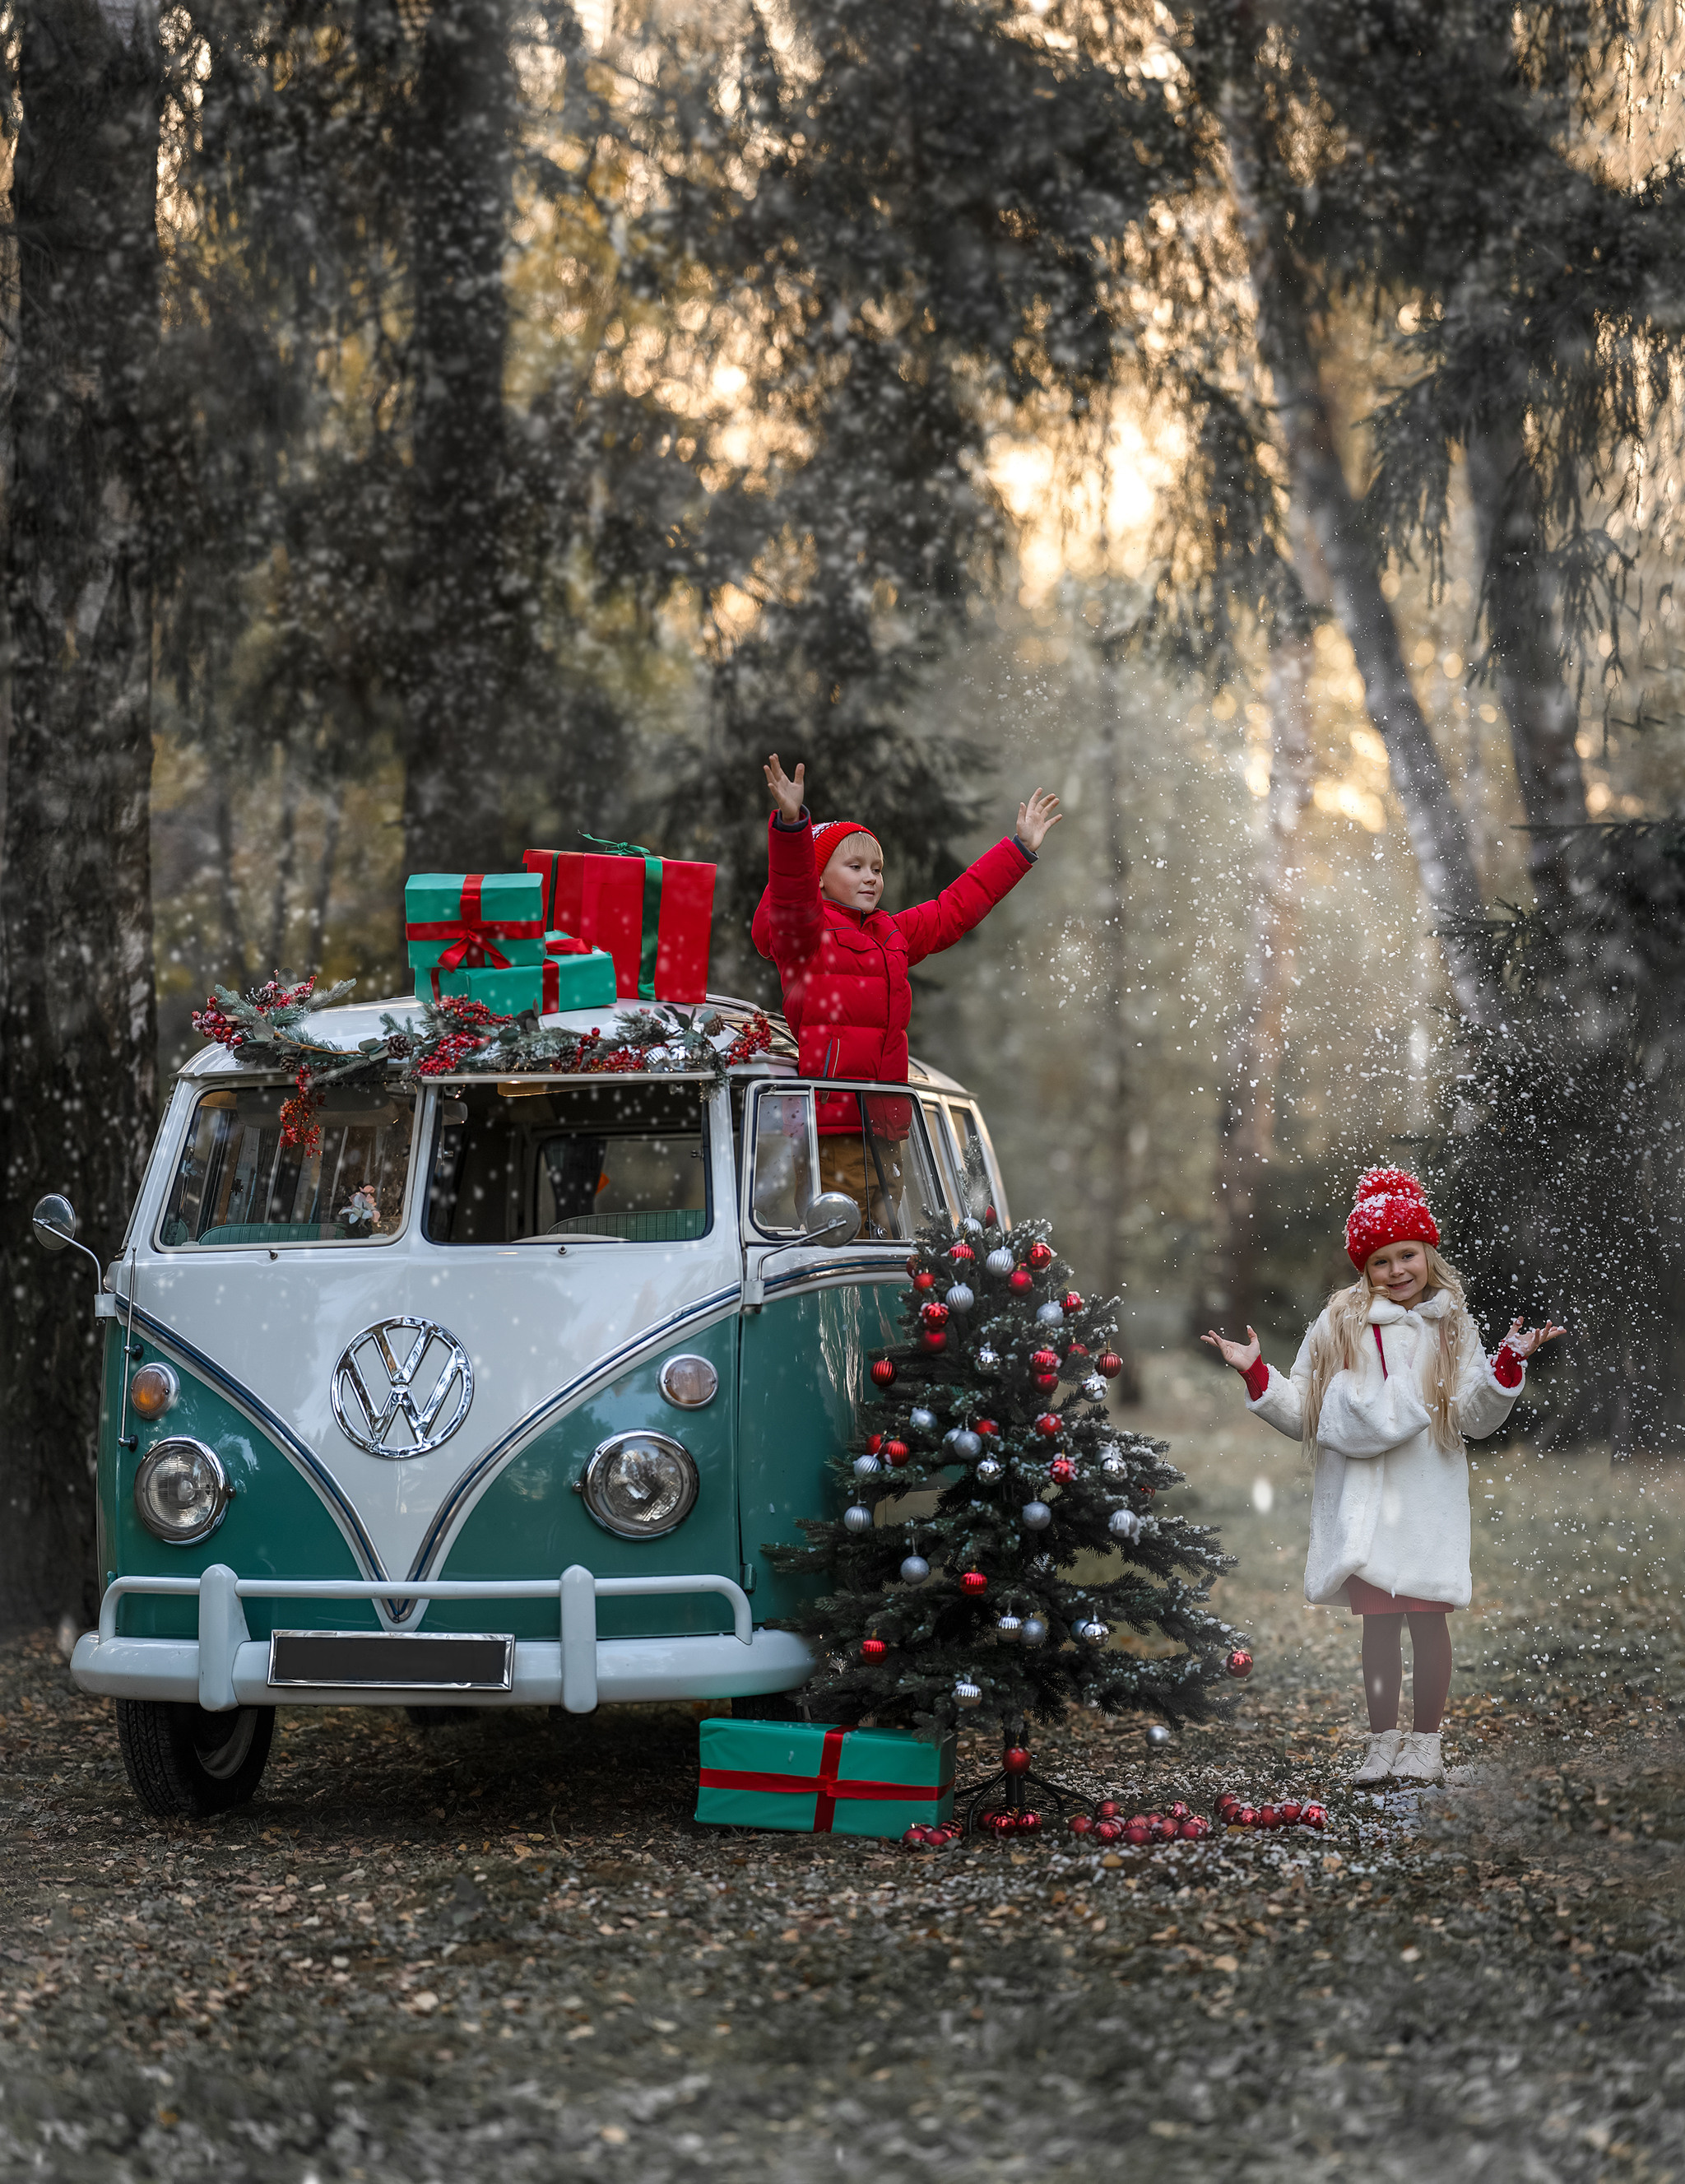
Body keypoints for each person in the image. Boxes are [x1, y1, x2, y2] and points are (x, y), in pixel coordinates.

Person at [1202, 1167, 1563, 1787]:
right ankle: (1382, 1744)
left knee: (1428, 1622)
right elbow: (1305, 1412)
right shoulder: (1338, 1325)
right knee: (1379, 1627)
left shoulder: (1451, 1325)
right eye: (1380, 1262)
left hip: (1427, 1495)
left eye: (1407, 1256)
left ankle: (1427, 1745)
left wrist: (1506, 1363)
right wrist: (1257, 1374)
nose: (1397, 1271)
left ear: (1428, 1254)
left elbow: (1475, 1415)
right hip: (1365, 1502)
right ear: (1362, 1269)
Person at [754, 755, 1060, 1234]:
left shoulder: (890, 934)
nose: (871, 877)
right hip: (831, 1126)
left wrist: (1018, 850)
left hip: (885, 1123)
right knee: (837, 1242)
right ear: (818, 878)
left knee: (888, 1242)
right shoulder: (805, 939)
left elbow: (954, 908)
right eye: (854, 866)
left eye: (876, 868)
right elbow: (790, 896)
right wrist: (792, 828)